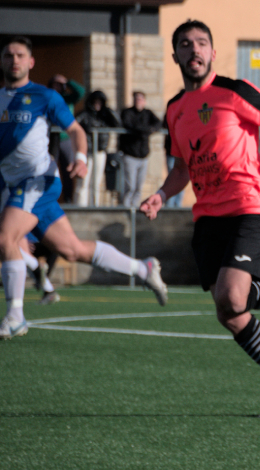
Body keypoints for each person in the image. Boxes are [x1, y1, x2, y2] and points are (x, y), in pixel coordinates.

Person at [139, 20, 260, 419]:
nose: (194, 50)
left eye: (202, 44)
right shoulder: (174, 109)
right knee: (230, 313)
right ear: (174, 55)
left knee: (231, 297)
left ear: (212, 52)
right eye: (186, 45)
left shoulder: (234, 91)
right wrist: (160, 194)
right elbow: (182, 167)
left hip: (248, 207)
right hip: (208, 217)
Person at [0, 38, 168, 340]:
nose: (14, 60)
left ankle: (15, 316)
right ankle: (142, 269)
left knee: (5, 237)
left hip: (38, 181)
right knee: (72, 250)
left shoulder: (45, 96)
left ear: (31, 62)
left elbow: (76, 131)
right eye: (8, 55)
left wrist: (80, 158)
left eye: (20, 55)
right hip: (14, 185)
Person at [73, 89, 120, 206]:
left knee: (97, 182)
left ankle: (95, 206)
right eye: (95, 102)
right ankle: (81, 206)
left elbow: (117, 123)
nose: (97, 105)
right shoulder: (84, 115)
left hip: (100, 151)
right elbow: (74, 127)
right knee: (84, 181)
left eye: (100, 102)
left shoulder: (104, 116)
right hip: (87, 151)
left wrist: (108, 110)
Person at [118, 91, 162, 208]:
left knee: (138, 187)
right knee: (130, 186)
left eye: (141, 99)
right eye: (136, 99)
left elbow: (158, 123)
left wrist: (148, 129)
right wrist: (146, 130)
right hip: (130, 155)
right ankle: (125, 208)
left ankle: (135, 208)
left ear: (144, 101)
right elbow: (129, 125)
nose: (139, 101)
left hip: (143, 156)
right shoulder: (127, 112)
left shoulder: (148, 113)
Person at [48, 73, 85, 202]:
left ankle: (68, 198)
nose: (57, 86)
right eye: (55, 83)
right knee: (49, 168)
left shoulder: (67, 98)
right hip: (50, 138)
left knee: (68, 169)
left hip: (65, 137)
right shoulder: (47, 97)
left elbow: (80, 92)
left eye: (60, 85)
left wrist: (67, 81)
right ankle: (49, 198)